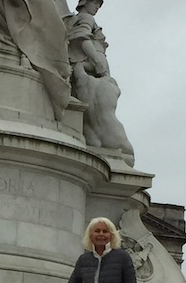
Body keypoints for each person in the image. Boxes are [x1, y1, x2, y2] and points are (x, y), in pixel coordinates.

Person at [65, 0, 134, 165]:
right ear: (86, 2)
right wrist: (98, 62)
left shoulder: (80, 18)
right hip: (93, 70)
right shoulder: (86, 18)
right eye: (95, 3)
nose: (97, 7)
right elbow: (82, 38)